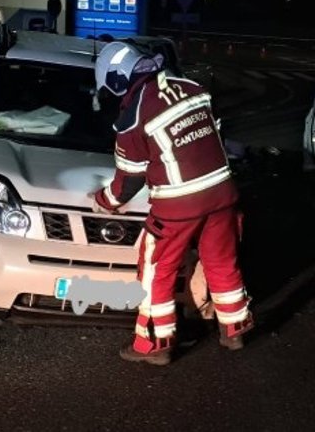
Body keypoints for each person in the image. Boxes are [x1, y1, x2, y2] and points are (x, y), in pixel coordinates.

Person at [90, 40, 253, 365]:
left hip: (178, 205)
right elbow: (213, 136)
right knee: (221, 260)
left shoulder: (132, 115)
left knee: (154, 268)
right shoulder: (192, 87)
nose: (115, 98)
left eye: (112, 91)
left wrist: (103, 200)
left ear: (118, 79)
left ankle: (154, 345)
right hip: (222, 193)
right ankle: (234, 329)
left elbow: (128, 181)